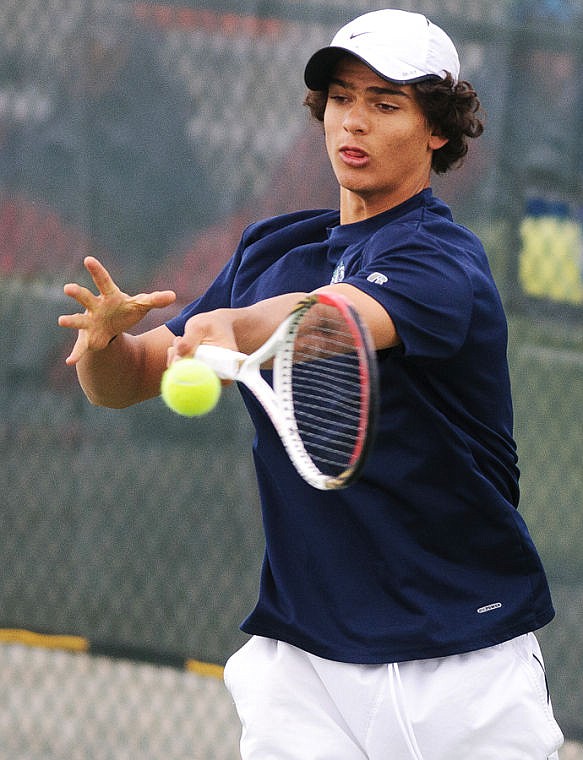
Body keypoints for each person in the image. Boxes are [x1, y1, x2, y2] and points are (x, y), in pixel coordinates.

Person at [59, 10, 564, 759]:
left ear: (435, 128)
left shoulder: (444, 262)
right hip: (303, 667)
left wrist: (237, 326)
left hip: (461, 664)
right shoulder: (274, 248)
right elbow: (127, 379)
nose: (352, 122)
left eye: (384, 104)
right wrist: (104, 344)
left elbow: (333, 316)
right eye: (340, 98)